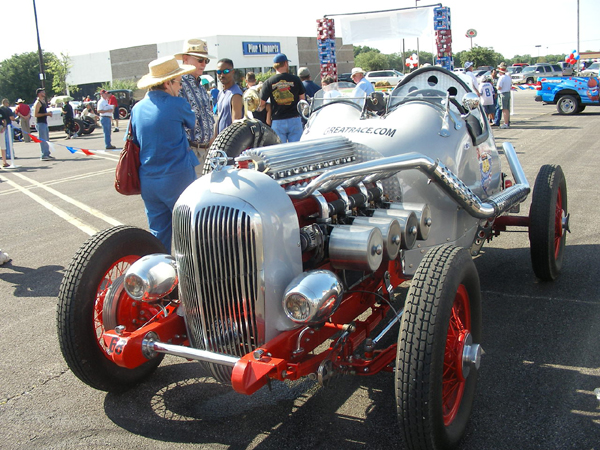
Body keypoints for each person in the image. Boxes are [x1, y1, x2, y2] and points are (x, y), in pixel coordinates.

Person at [131, 55, 197, 253]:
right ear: (167, 83)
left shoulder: (137, 108)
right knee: (189, 234)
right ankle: (189, 280)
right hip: (177, 177)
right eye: (178, 82)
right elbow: (193, 124)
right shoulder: (177, 104)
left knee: (158, 236)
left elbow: (135, 139)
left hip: (149, 181)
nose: (181, 87)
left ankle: (163, 279)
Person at [174, 38, 216, 168]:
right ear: (185, 59)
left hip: (206, 151)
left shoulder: (200, 86)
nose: (203, 64)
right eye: (199, 60)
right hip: (191, 152)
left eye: (206, 61)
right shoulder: (178, 84)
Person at [259, 53, 305, 143]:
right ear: (285, 63)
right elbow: (302, 100)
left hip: (278, 120)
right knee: (296, 150)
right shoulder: (296, 79)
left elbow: (261, 103)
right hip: (294, 118)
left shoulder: (269, 82)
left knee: (280, 151)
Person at [216, 58, 243, 134]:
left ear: (232, 72)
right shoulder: (221, 93)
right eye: (219, 72)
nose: (222, 75)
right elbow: (219, 119)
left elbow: (236, 124)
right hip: (220, 141)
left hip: (229, 142)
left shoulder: (236, 94)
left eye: (226, 71)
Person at [33, 88, 54, 161]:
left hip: (44, 122)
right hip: (40, 123)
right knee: (43, 139)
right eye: (42, 92)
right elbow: (36, 114)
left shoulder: (43, 102)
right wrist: (46, 114)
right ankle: (43, 155)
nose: (44, 93)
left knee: (46, 139)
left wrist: (48, 114)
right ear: (39, 94)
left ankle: (47, 153)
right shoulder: (38, 103)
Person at [0, 98, 16, 167]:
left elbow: (4, 119)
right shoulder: (7, 109)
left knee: (3, 145)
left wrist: (4, 126)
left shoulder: (1, 110)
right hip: (5, 128)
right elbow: (11, 117)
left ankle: (4, 161)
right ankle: (9, 155)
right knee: (8, 142)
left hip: (2, 129)